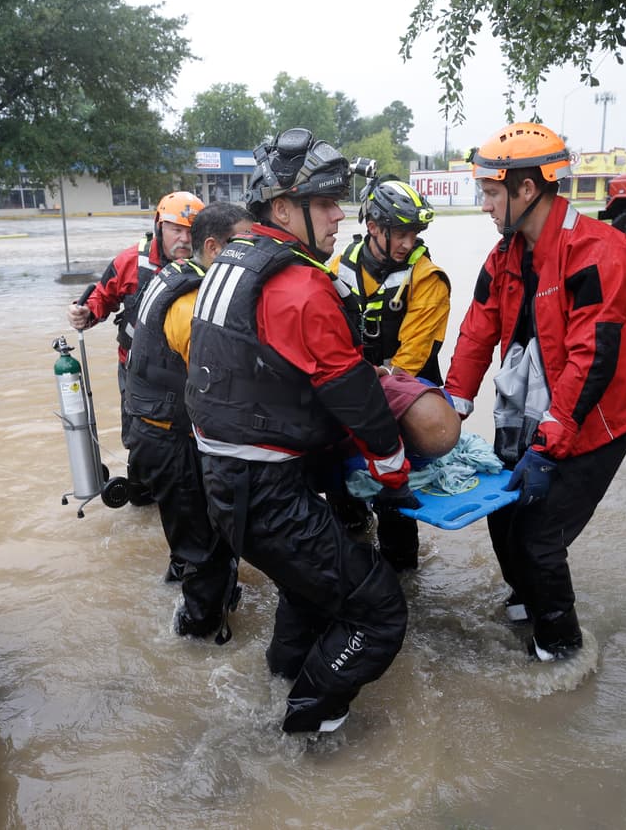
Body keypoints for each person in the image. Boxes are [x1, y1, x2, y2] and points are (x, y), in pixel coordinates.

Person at [186, 128, 416, 734]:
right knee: (380, 610)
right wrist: (392, 466)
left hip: (225, 483)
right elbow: (351, 390)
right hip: (267, 494)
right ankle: (305, 727)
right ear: (283, 209)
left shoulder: (230, 262)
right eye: (324, 203)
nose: (340, 215)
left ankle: (283, 679)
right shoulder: (299, 285)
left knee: (307, 589)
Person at [444, 122, 626, 662]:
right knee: (503, 511)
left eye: (491, 193)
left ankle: (562, 651)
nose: (484, 206)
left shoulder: (600, 251)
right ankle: (528, 604)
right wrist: (451, 407)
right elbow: (477, 330)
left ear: (527, 189)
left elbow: (593, 358)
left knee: (540, 536)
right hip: (536, 404)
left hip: (600, 414)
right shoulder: (504, 255)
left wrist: (549, 443)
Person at [123, 203, 253, 639]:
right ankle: (197, 634)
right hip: (170, 440)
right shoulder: (192, 302)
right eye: (243, 244)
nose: (252, 253)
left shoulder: (175, 274)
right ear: (213, 248)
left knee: (190, 538)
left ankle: (188, 596)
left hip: (155, 431)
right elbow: (220, 382)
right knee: (205, 547)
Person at [331, 178, 451, 571]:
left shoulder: (427, 278)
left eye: (413, 233)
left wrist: (366, 380)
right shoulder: (339, 266)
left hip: (403, 394)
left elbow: (411, 359)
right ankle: (352, 542)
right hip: (351, 388)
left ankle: (401, 574)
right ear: (373, 227)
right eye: (400, 233)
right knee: (341, 496)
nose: (407, 242)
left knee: (394, 505)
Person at [67, 190, 205, 449]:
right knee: (139, 439)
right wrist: (85, 312)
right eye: (176, 230)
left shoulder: (210, 262)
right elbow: (102, 297)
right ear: (160, 227)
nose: (185, 239)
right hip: (137, 372)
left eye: (191, 231)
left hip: (187, 373)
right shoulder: (130, 261)